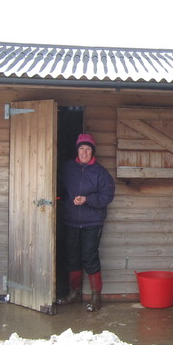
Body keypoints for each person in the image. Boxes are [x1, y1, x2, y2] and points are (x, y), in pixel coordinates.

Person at [56, 133, 115, 312]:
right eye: (82, 148)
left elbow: (107, 196)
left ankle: (96, 297)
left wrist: (87, 200)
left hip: (92, 222)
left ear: (92, 152)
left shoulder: (100, 172)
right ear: (77, 150)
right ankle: (75, 294)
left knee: (89, 257)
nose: (84, 152)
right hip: (71, 221)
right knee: (72, 257)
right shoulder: (67, 168)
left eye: (88, 149)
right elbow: (57, 188)